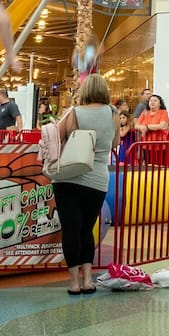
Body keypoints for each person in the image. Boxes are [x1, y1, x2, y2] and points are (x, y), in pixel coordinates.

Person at [53, 74, 118, 295]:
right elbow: (115, 142)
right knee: (86, 229)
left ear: (85, 91)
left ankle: (73, 282)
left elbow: (56, 136)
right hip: (98, 179)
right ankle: (89, 280)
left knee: (71, 230)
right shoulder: (113, 113)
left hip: (69, 177)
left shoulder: (74, 113)